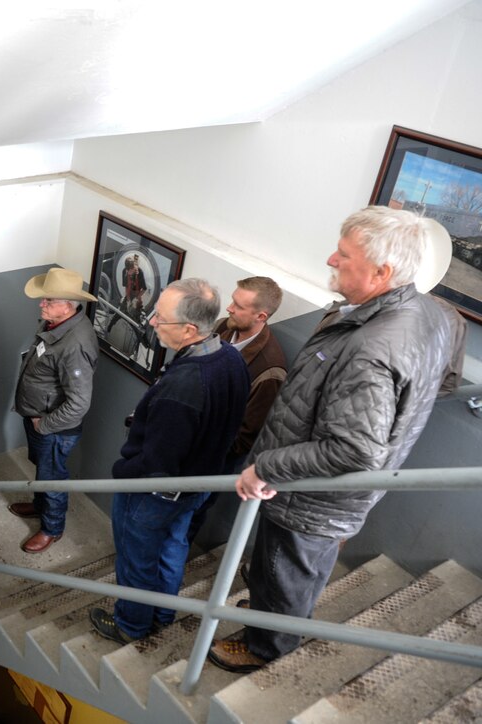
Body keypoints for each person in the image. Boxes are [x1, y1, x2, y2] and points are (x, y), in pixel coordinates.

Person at [208, 206, 453, 673]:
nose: (330, 260)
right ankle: (272, 619)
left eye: (343, 255)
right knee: (290, 571)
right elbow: (436, 381)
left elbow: (353, 448)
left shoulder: (372, 349)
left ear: (382, 272)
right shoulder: (430, 312)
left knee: (285, 571)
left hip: (309, 498)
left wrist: (265, 468)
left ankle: (268, 648)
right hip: (332, 491)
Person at [89, 278, 249, 644]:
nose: (152, 323)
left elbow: (157, 461)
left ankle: (131, 625)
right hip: (198, 487)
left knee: (137, 560)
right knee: (172, 549)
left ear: (190, 329)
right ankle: (163, 614)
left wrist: (121, 473)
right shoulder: (231, 359)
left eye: (160, 318)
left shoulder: (184, 387)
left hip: (155, 494)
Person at [186, 277, 287, 543]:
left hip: (211, 459)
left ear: (261, 315)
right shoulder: (222, 328)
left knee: (188, 516)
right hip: (189, 441)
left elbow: (244, 438)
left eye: (238, 305)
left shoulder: (270, 370)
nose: (229, 308)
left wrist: (202, 449)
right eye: (232, 300)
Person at [8, 267, 98, 554]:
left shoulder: (76, 344)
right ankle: (39, 506)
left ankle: (52, 528)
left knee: (53, 478)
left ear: (68, 306)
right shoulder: (54, 324)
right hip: (38, 417)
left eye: (48, 301)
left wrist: (44, 426)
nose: (41, 304)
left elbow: (79, 403)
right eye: (43, 299)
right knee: (43, 470)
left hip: (53, 428)